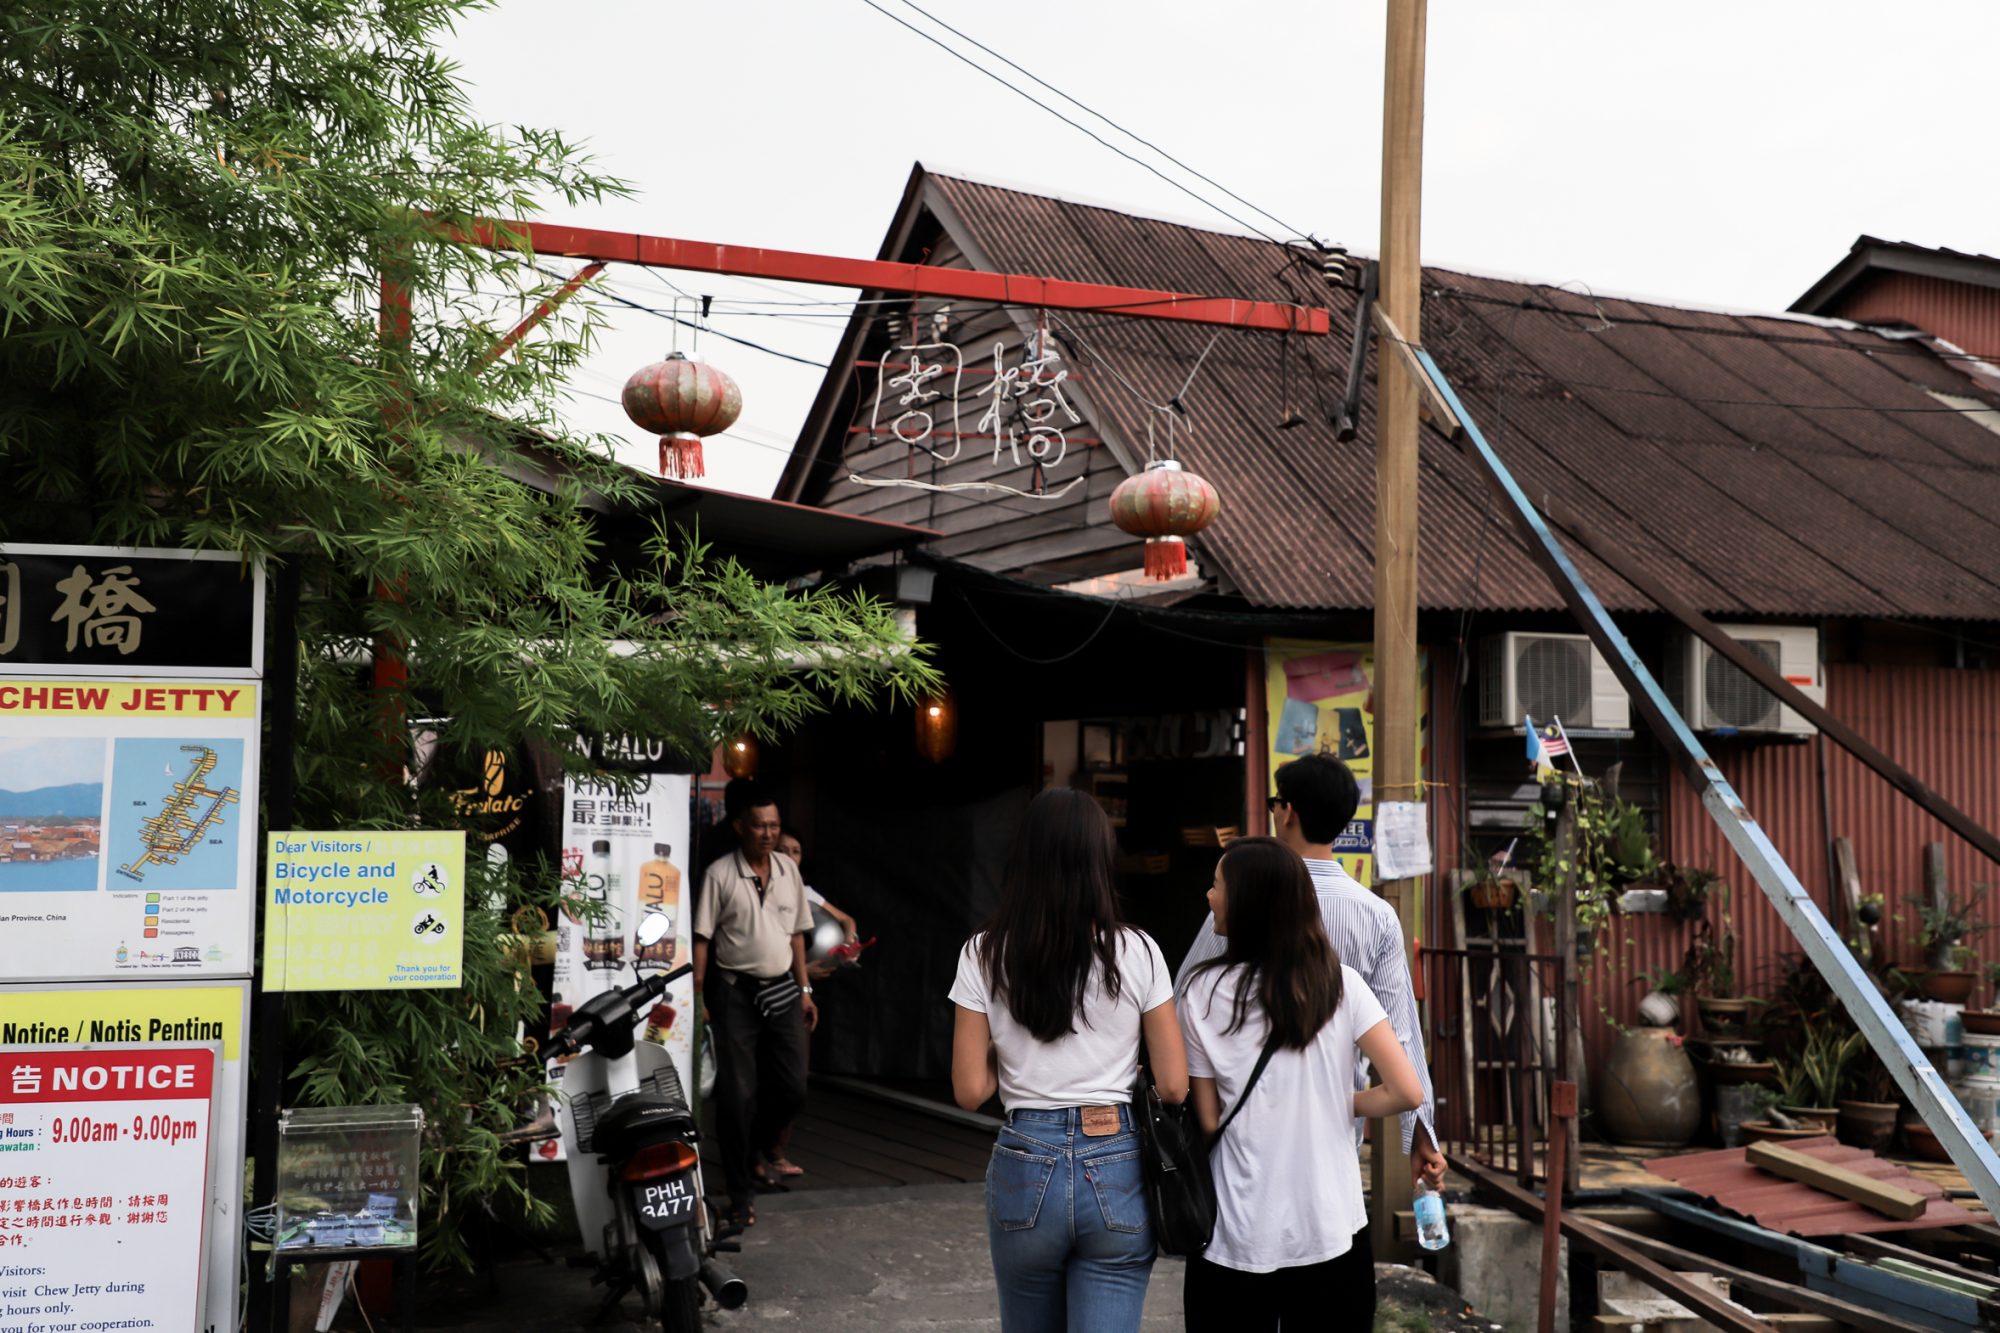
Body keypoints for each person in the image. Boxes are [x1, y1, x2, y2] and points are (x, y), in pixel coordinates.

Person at [950, 788, 1187, 1333]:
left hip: (1024, 1162)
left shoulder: (983, 952)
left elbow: (969, 1090)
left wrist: (1005, 1043)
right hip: (1118, 1161)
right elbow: (1174, 1086)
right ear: (1099, 860)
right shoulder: (1140, 951)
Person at [1179, 837, 1425, 1329]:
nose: (1209, 896)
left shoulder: (1200, 993)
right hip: (1331, 1229)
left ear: (1249, 902)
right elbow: (1407, 1091)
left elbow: (1207, 1118)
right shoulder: (1341, 983)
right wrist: (1341, 1101)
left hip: (1235, 1234)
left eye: (1218, 885)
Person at [1177, 753, 1444, 1194]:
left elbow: (1183, 994)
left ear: (1288, 813)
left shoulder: (1242, 898)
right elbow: (1403, 1035)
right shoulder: (1376, 915)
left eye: (1274, 803)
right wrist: (1422, 1134)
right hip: (1331, 1138)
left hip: (1241, 1134)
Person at [693, 782, 817, 1229]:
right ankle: (741, 1192)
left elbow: (797, 934)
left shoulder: (788, 869)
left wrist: (805, 990)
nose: (768, 833)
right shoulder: (720, 874)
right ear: (740, 827)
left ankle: (758, 1150)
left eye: (775, 826)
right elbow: (702, 940)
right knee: (736, 1094)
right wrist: (700, 997)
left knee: (792, 1087)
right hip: (733, 992)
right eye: (760, 825)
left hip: (781, 986)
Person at [758, 828, 858, 1182]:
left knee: (794, 1082)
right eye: (783, 849)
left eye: (796, 851)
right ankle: (758, 1156)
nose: (789, 856)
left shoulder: (805, 893)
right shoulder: (757, 889)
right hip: (760, 995)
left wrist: (848, 943)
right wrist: (805, 973)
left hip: (798, 995)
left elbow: (846, 919)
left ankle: (774, 1149)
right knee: (761, 1079)